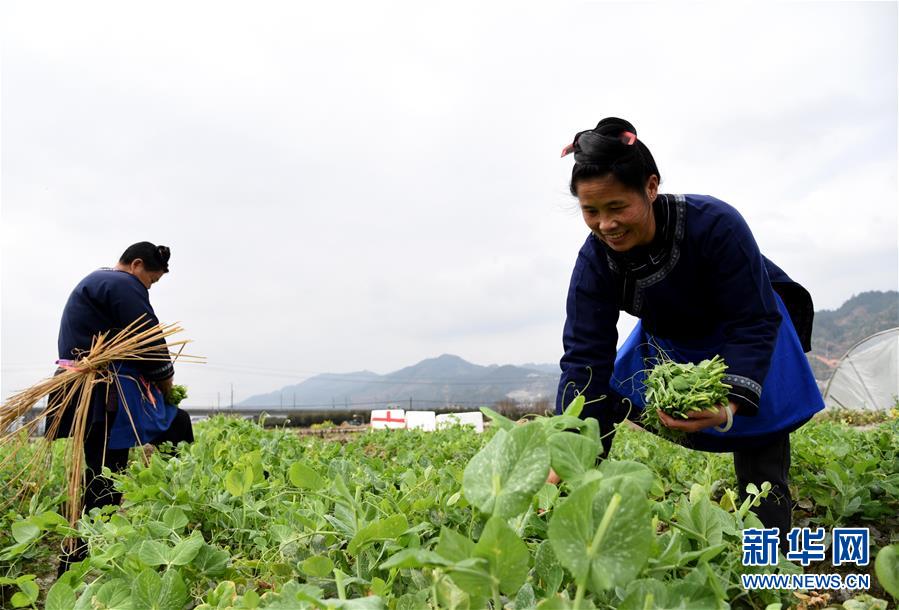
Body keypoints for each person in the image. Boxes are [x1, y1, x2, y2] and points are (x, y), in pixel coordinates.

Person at [555, 118, 824, 545]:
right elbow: (585, 358)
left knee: (761, 444)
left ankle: (772, 555)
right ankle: (574, 516)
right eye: (591, 211)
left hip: (749, 325)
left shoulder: (714, 225)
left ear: (650, 186)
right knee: (600, 399)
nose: (606, 225)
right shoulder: (595, 263)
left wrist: (731, 405)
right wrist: (567, 449)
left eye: (617, 207)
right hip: (672, 337)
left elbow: (753, 320)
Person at [50, 241, 194, 572]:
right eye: (152, 281)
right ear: (137, 265)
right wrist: (166, 384)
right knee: (106, 477)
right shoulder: (122, 283)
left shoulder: (100, 281)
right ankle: (76, 560)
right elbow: (150, 339)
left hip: (91, 387)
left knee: (109, 472)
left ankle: (171, 508)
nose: (148, 287)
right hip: (101, 390)